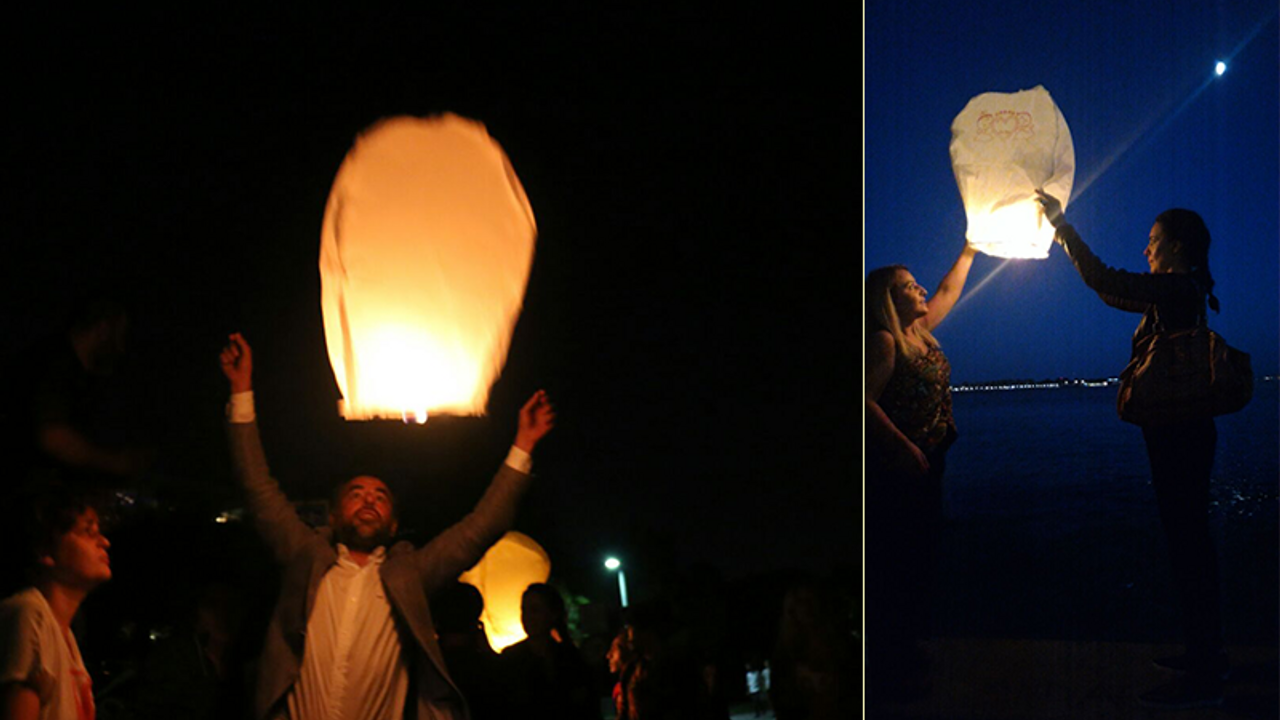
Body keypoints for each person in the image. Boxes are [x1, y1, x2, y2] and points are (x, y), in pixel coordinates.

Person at [218, 332, 555, 720]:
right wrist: (242, 390)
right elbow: (257, 486)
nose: (368, 501)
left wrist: (523, 445)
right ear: (333, 515)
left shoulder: (411, 574)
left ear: (393, 525)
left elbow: (483, 527)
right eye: (356, 493)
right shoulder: (304, 554)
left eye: (380, 497)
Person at [1036, 190, 1228, 710]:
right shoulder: (1184, 291)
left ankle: (1206, 671)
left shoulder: (1176, 291)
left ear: (1176, 245)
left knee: (1188, 545)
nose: (1146, 250)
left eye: (1152, 241)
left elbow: (1105, 282)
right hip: (1185, 430)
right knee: (1191, 542)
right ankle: (1204, 653)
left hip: (1179, 434)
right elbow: (1115, 291)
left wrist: (1062, 226)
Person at [864, 242, 976, 702]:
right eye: (910, 287)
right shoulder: (885, 341)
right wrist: (903, 445)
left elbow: (948, 288)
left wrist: (971, 251)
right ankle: (895, 663)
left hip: (930, 458)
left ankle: (907, 646)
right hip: (900, 468)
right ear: (889, 300)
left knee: (923, 552)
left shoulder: (920, 331)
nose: (922, 289)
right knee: (901, 560)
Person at [0, 490, 113, 720]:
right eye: (88, 531)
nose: (104, 542)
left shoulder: (65, 636)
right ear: (45, 551)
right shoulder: (29, 614)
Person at [498, 583, 600, 720]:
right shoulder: (511, 657)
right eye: (524, 610)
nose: (527, 617)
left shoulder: (570, 659)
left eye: (535, 610)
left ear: (553, 614)